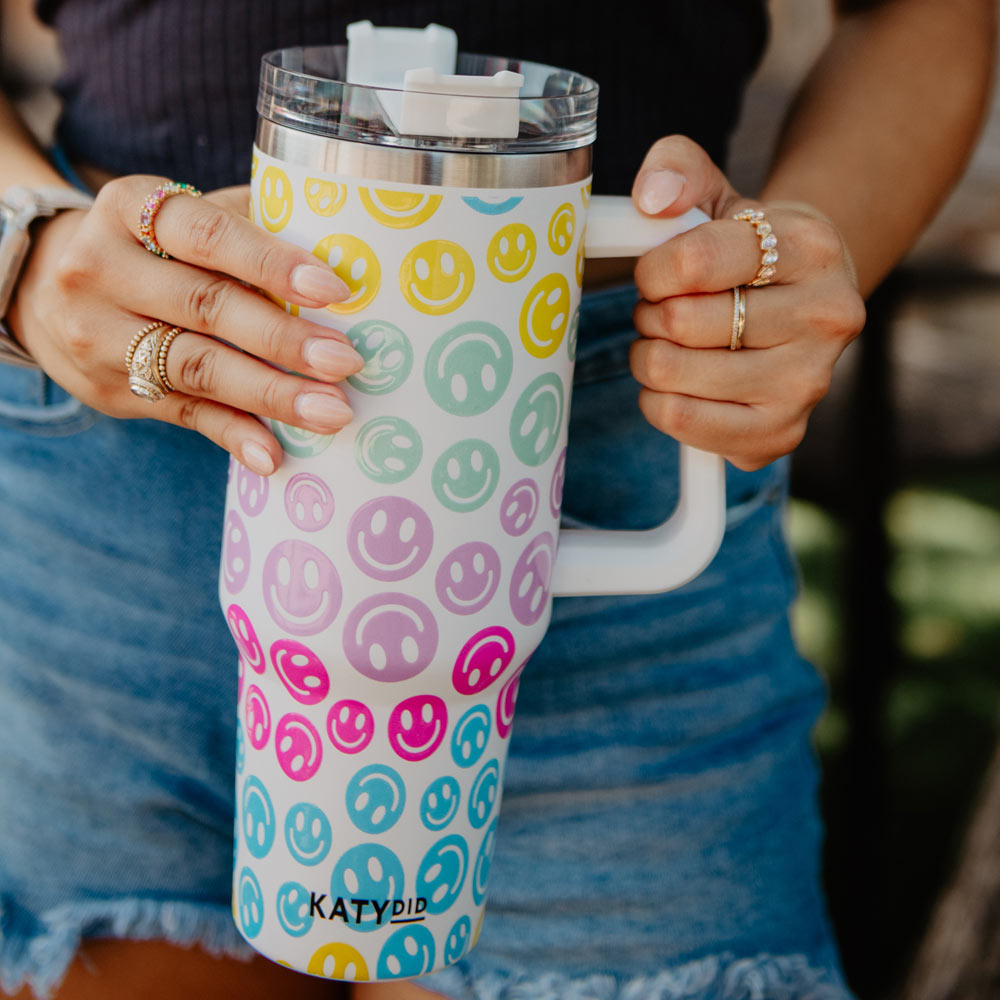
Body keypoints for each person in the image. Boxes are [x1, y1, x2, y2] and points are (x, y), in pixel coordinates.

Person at [0, 0, 993, 998]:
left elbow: (925, 19)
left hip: (629, 427)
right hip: (113, 442)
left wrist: (774, 276)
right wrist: (27, 251)